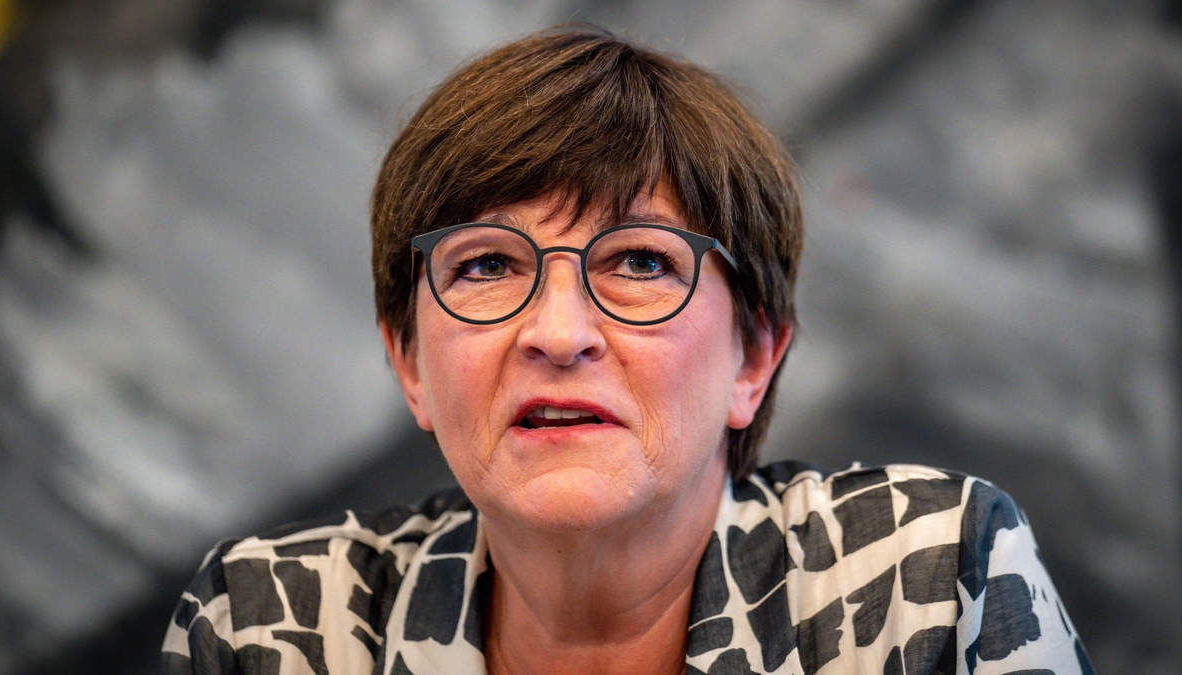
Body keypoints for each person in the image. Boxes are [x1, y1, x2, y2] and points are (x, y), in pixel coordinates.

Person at [159, 27, 1093, 675]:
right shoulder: (273, 627)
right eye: (486, 265)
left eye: (641, 262)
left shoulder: (927, 585)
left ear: (753, 357)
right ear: (409, 363)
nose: (559, 335)